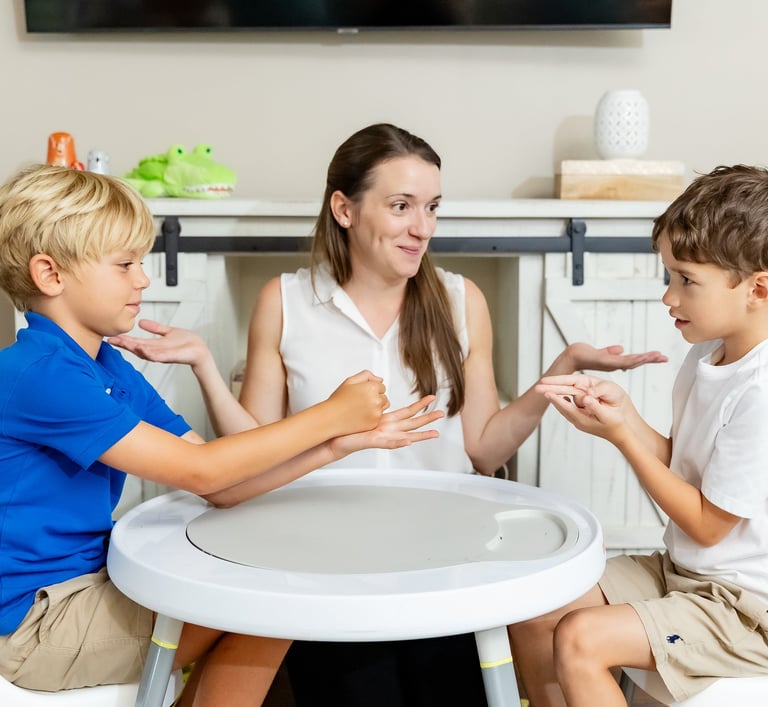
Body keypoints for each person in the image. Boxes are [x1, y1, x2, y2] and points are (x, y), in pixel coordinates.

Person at [111, 123, 667, 706]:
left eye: (431, 207)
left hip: (449, 560)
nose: (421, 227)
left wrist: (553, 378)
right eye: (401, 206)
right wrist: (202, 361)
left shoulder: (460, 300)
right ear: (344, 209)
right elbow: (254, 448)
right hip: (330, 568)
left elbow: (483, 448)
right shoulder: (286, 301)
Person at [0, 164, 443, 706]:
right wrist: (331, 414)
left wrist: (340, 443)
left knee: (267, 593)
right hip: (36, 622)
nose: (143, 279)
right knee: (270, 600)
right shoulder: (40, 373)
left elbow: (221, 482)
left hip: (90, 586)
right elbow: (202, 472)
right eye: (124, 265)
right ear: (50, 275)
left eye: (141, 262)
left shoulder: (106, 369)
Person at [508, 164, 768, 706]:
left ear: (757, 288)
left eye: (686, 280)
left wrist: (624, 437)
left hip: (744, 609)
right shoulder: (706, 355)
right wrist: (621, 419)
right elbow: (688, 469)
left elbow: (708, 523)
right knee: (535, 608)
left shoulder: (761, 389)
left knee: (582, 639)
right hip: (685, 574)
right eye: (668, 276)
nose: (669, 298)